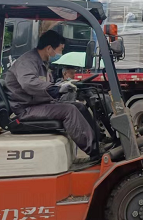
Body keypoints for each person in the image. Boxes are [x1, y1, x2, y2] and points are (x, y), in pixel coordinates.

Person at [5, 31, 99, 160]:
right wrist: (55, 89)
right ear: (49, 48)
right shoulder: (27, 62)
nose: (60, 53)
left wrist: (64, 86)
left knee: (79, 106)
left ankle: (99, 140)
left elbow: (44, 84)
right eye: (60, 49)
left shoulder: (41, 63)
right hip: (26, 108)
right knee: (69, 110)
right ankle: (94, 151)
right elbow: (28, 83)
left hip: (38, 104)